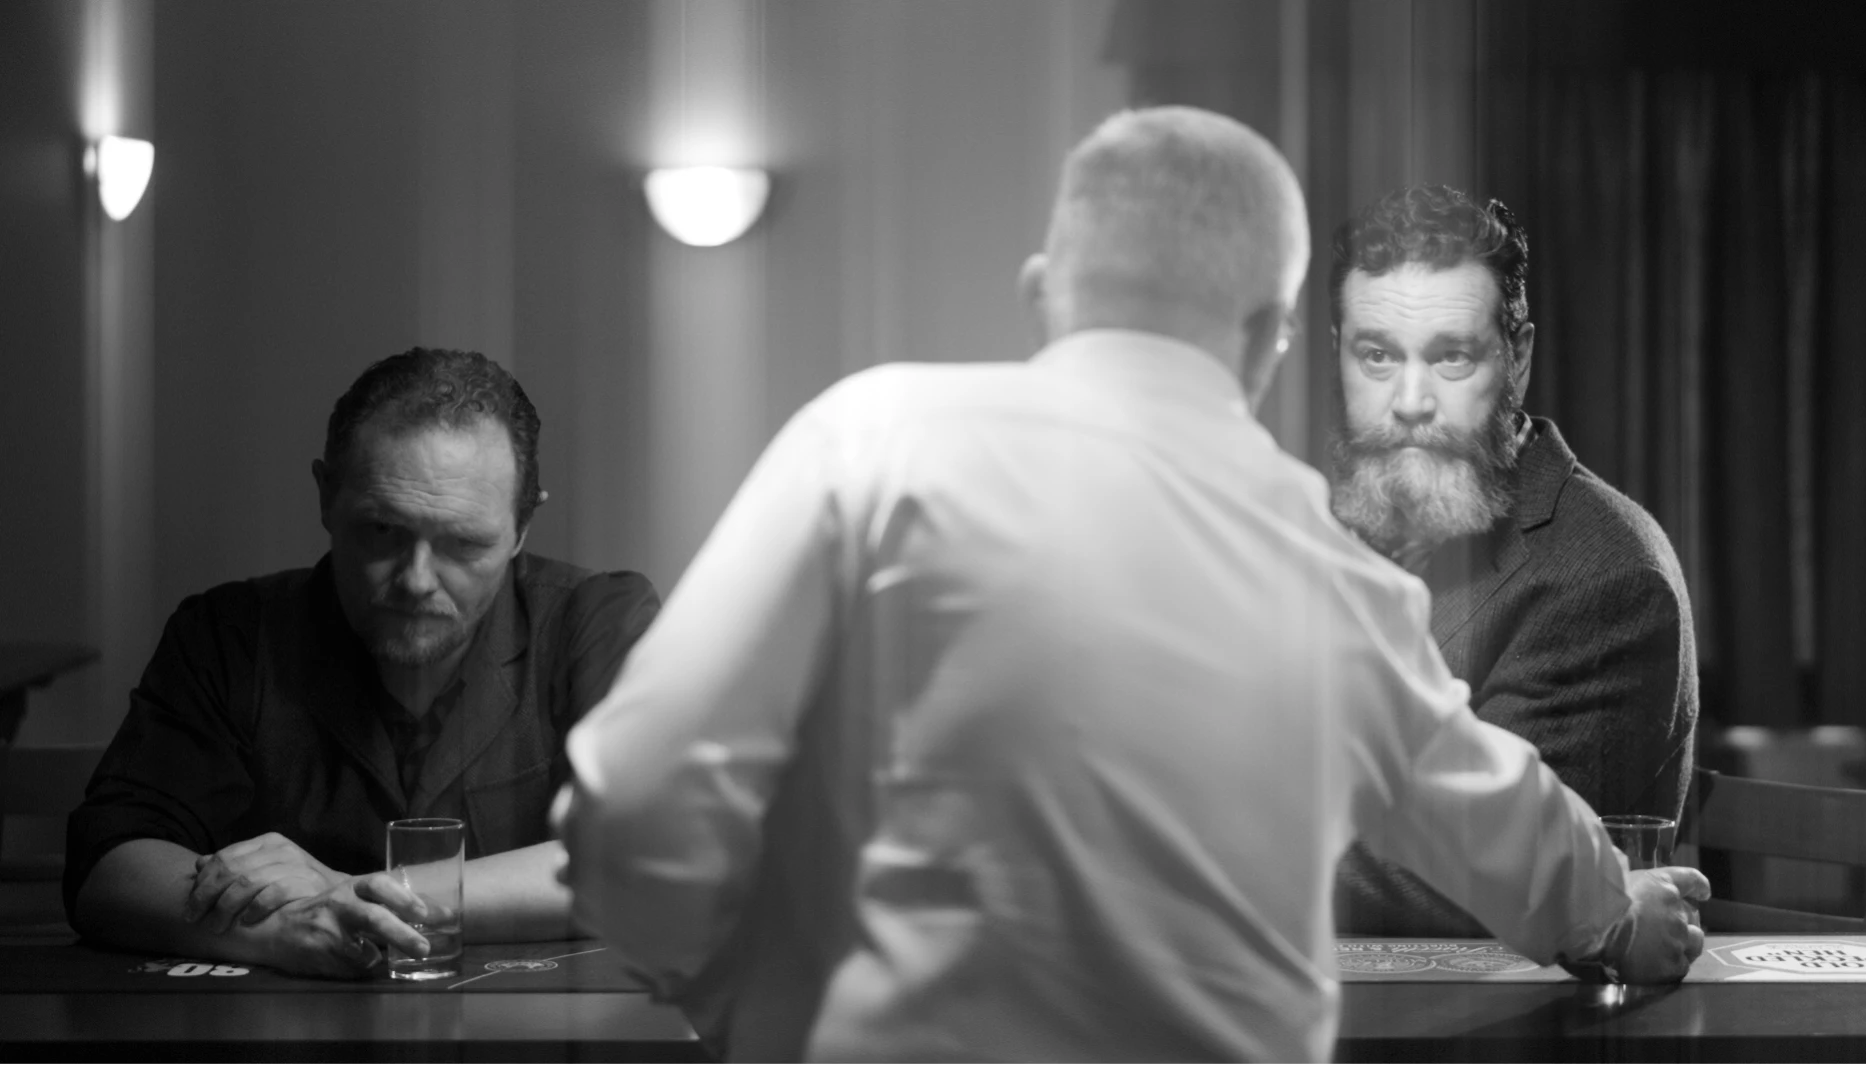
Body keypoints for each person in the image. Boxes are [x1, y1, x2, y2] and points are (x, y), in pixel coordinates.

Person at [555, 107, 1707, 1063]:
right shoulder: (1329, 573)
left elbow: (636, 792)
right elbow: (1501, 824)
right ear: (1274, 340)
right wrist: (1618, 917)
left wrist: (727, 992)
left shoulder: (869, 440)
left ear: (1042, 291)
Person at [65, 348, 661, 978]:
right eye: (382, 531)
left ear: (521, 528)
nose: (417, 580)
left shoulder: (596, 619)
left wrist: (354, 892)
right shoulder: (229, 634)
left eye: (463, 543)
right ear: (326, 496)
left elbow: (650, 864)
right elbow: (107, 867)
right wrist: (272, 934)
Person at [1326, 186, 1700, 937]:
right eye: (1374, 355)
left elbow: (1471, 879)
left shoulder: (1608, 578)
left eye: (1451, 356)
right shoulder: (1328, 528)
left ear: (1517, 356)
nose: (1407, 401)